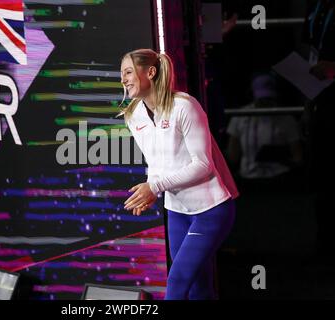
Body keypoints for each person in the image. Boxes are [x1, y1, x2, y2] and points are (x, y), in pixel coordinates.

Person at [118, 49, 239, 300]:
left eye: (128, 72)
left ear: (149, 72)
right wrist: (150, 191)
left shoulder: (184, 106)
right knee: (199, 288)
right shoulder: (133, 115)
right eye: (122, 74)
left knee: (177, 281)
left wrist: (155, 187)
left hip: (211, 210)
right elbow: (156, 163)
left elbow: (203, 165)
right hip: (177, 211)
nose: (123, 79)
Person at [226, 73, 303, 189]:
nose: (265, 103)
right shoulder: (240, 116)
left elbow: (298, 156)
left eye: (269, 98)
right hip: (248, 180)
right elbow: (232, 156)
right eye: (262, 99)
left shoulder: (286, 118)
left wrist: (281, 157)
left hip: (279, 180)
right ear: (252, 95)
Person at [301, 0, 335, 261]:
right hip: (321, 98)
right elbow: (311, 46)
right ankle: (324, 241)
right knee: (323, 171)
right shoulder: (317, 6)